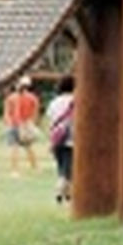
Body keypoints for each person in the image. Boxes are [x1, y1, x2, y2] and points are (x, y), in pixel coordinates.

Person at [3, 75, 40, 176]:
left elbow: (7, 113)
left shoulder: (11, 98)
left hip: (14, 125)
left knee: (14, 148)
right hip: (26, 125)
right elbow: (35, 114)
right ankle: (35, 168)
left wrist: (8, 123)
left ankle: (15, 170)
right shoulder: (33, 98)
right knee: (29, 147)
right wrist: (31, 124)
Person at [46, 76, 75, 204]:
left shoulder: (54, 102)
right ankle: (60, 192)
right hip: (71, 139)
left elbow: (50, 120)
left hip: (57, 139)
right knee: (67, 171)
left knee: (61, 168)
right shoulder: (75, 101)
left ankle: (68, 195)